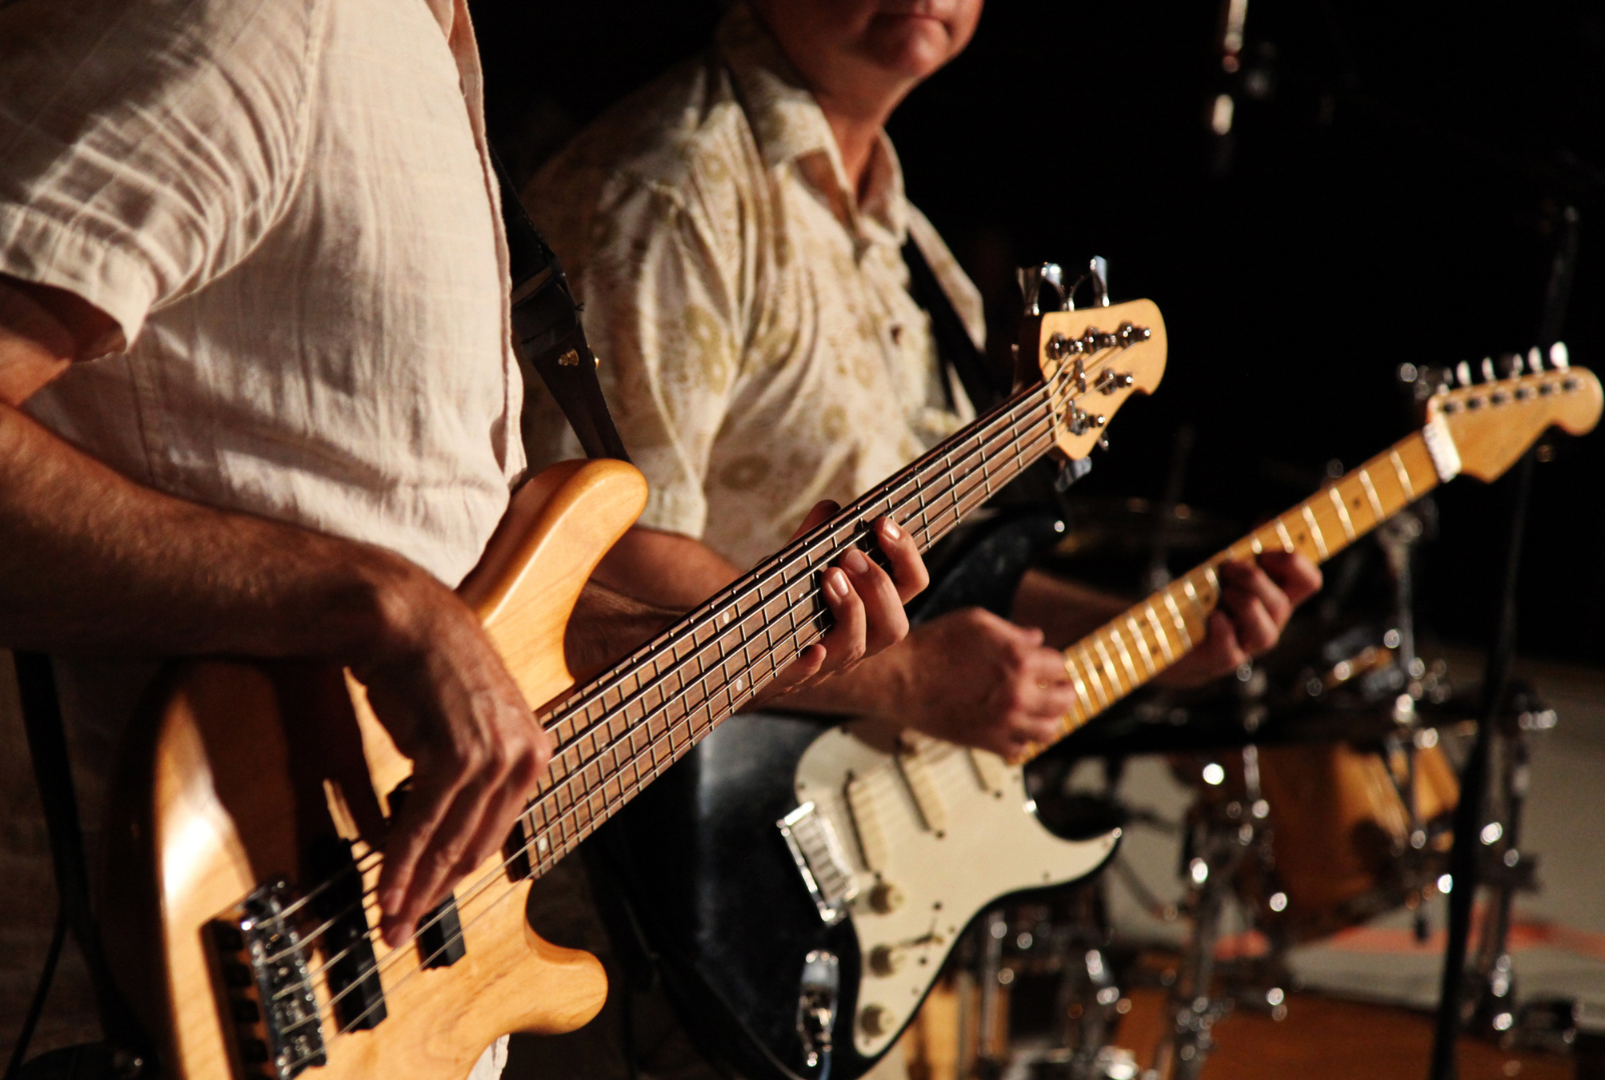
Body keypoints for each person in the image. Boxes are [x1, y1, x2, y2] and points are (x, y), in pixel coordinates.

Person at [0, 0, 929, 1076]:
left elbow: (412, 556)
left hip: (350, 1006)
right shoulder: (243, 16)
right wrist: (370, 603)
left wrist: (702, 648)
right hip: (86, 1016)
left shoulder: (408, 39)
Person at [508, 1, 1320, 1076]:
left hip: (801, 901)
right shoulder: (670, 186)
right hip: (636, 900)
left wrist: (1163, 638)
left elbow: (943, 585)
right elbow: (607, 560)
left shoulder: (904, 237)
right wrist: (897, 680)